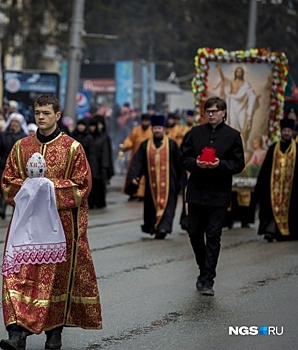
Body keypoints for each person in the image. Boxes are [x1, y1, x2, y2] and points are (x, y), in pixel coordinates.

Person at [0, 94, 102, 350]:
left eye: (46, 113)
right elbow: (7, 182)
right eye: (37, 113)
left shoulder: (72, 148)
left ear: (57, 115)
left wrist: (46, 188)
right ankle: (16, 332)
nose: (41, 117)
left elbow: (82, 185)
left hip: (60, 226)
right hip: (25, 227)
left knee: (54, 279)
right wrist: (29, 189)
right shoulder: (21, 147)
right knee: (17, 275)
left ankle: (53, 332)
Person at [180, 96, 245, 296]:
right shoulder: (195, 132)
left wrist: (220, 165)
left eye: (215, 111)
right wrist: (196, 163)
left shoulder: (233, 136)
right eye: (208, 111)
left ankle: (208, 279)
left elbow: (238, 164)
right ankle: (203, 268)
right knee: (194, 232)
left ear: (223, 112)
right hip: (197, 192)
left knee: (214, 235)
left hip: (218, 194)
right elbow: (184, 157)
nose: (211, 115)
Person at [125, 115, 183, 239]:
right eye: (155, 128)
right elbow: (138, 162)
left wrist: (182, 181)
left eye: (159, 128)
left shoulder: (172, 145)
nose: (157, 130)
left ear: (164, 129)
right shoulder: (145, 145)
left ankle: (164, 228)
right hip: (151, 184)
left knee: (168, 206)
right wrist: (135, 177)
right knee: (151, 207)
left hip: (169, 183)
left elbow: (179, 164)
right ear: (152, 129)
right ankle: (154, 226)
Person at [255, 118, 298, 242]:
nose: (286, 133)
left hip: (291, 189)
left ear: (292, 132)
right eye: (284, 130)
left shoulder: (296, 149)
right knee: (271, 207)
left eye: (288, 131)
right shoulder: (274, 148)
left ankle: (289, 233)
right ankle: (271, 231)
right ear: (281, 131)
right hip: (274, 188)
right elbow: (265, 170)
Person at [214, 64, 258, 149]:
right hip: (232, 105)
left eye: (240, 72)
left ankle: (242, 143)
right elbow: (223, 79)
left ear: (243, 73)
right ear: (235, 73)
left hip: (242, 106)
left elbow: (251, 94)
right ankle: (230, 143)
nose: (239, 73)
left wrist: (254, 97)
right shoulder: (231, 82)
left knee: (242, 124)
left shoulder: (246, 84)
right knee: (232, 124)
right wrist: (219, 70)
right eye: (237, 71)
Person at [0, 112, 27, 219]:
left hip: (18, 167)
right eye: (12, 122)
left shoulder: (24, 137)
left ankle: (14, 210)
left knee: (16, 189)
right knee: (3, 188)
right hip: (4, 164)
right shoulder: (3, 135)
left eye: (16, 122)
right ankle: (2, 209)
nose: (14, 124)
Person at [119, 114, 153, 200]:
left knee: (146, 177)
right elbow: (130, 140)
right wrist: (125, 146)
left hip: (148, 157)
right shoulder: (136, 130)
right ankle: (133, 193)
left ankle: (144, 194)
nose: (145, 122)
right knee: (133, 175)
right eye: (144, 120)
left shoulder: (152, 131)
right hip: (136, 157)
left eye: (147, 121)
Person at [88, 114, 114, 209]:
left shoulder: (104, 137)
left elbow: (106, 153)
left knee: (100, 186)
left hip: (101, 166)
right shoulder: (90, 137)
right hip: (92, 165)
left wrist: (105, 167)